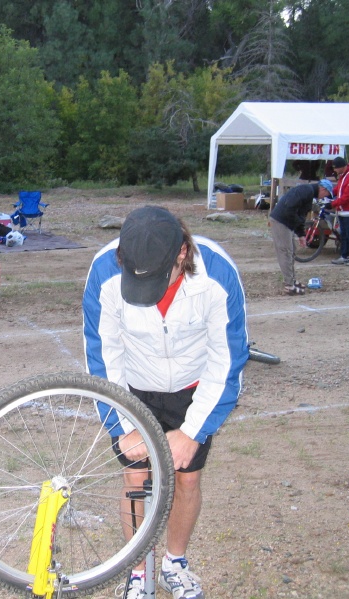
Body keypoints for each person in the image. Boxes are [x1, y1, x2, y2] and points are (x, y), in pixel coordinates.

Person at [83, 206, 249, 599]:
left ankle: (175, 561)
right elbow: (103, 357)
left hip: (194, 388)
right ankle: (139, 570)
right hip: (134, 388)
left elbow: (228, 360)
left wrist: (192, 432)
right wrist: (122, 427)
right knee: (135, 476)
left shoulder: (218, 274)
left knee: (187, 477)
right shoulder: (104, 270)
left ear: (181, 253)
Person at [269, 179, 334, 295]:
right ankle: (289, 285)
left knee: (291, 251)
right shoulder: (306, 191)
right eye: (326, 194)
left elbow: (301, 215)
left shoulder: (309, 194)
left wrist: (301, 234)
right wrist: (298, 224)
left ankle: (291, 280)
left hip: (287, 222)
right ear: (323, 189)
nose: (324, 197)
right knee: (285, 252)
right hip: (281, 221)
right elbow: (290, 208)